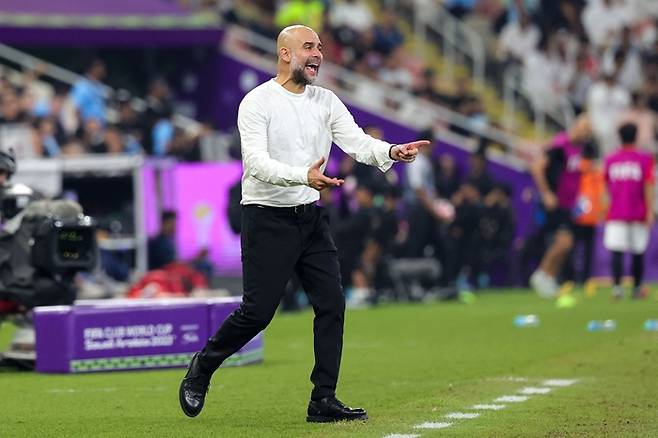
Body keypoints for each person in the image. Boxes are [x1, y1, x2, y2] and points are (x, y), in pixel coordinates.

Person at [178, 25, 429, 422]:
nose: (318, 55)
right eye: (309, 47)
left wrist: (393, 151)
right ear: (284, 54)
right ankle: (202, 367)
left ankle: (322, 399)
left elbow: (359, 142)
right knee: (258, 313)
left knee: (332, 303)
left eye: (320, 48)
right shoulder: (257, 102)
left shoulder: (325, 101)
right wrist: (303, 176)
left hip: (310, 217)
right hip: (266, 217)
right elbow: (255, 164)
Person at [529, 115, 591, 298]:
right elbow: (537, 168)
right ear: (576, 127)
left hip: (569, 203)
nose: (587, 133)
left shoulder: (581, 149)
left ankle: (549, 277)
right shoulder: (560, 145)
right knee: (564, 242)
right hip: (556, 201)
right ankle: (541, 274)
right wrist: (547, 193)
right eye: (584, 128)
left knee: (565, 244)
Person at [603, 123, 655, 300]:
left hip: (616, 211)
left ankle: (617, 289)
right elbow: (648, 185)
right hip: (638, 211)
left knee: (616, 251)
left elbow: (606, 188)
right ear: (636, 136)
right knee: (637, 251)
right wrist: (649, 210)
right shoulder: (645, 159)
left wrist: (607, 207)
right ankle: (637, 288)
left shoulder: (610, 159)